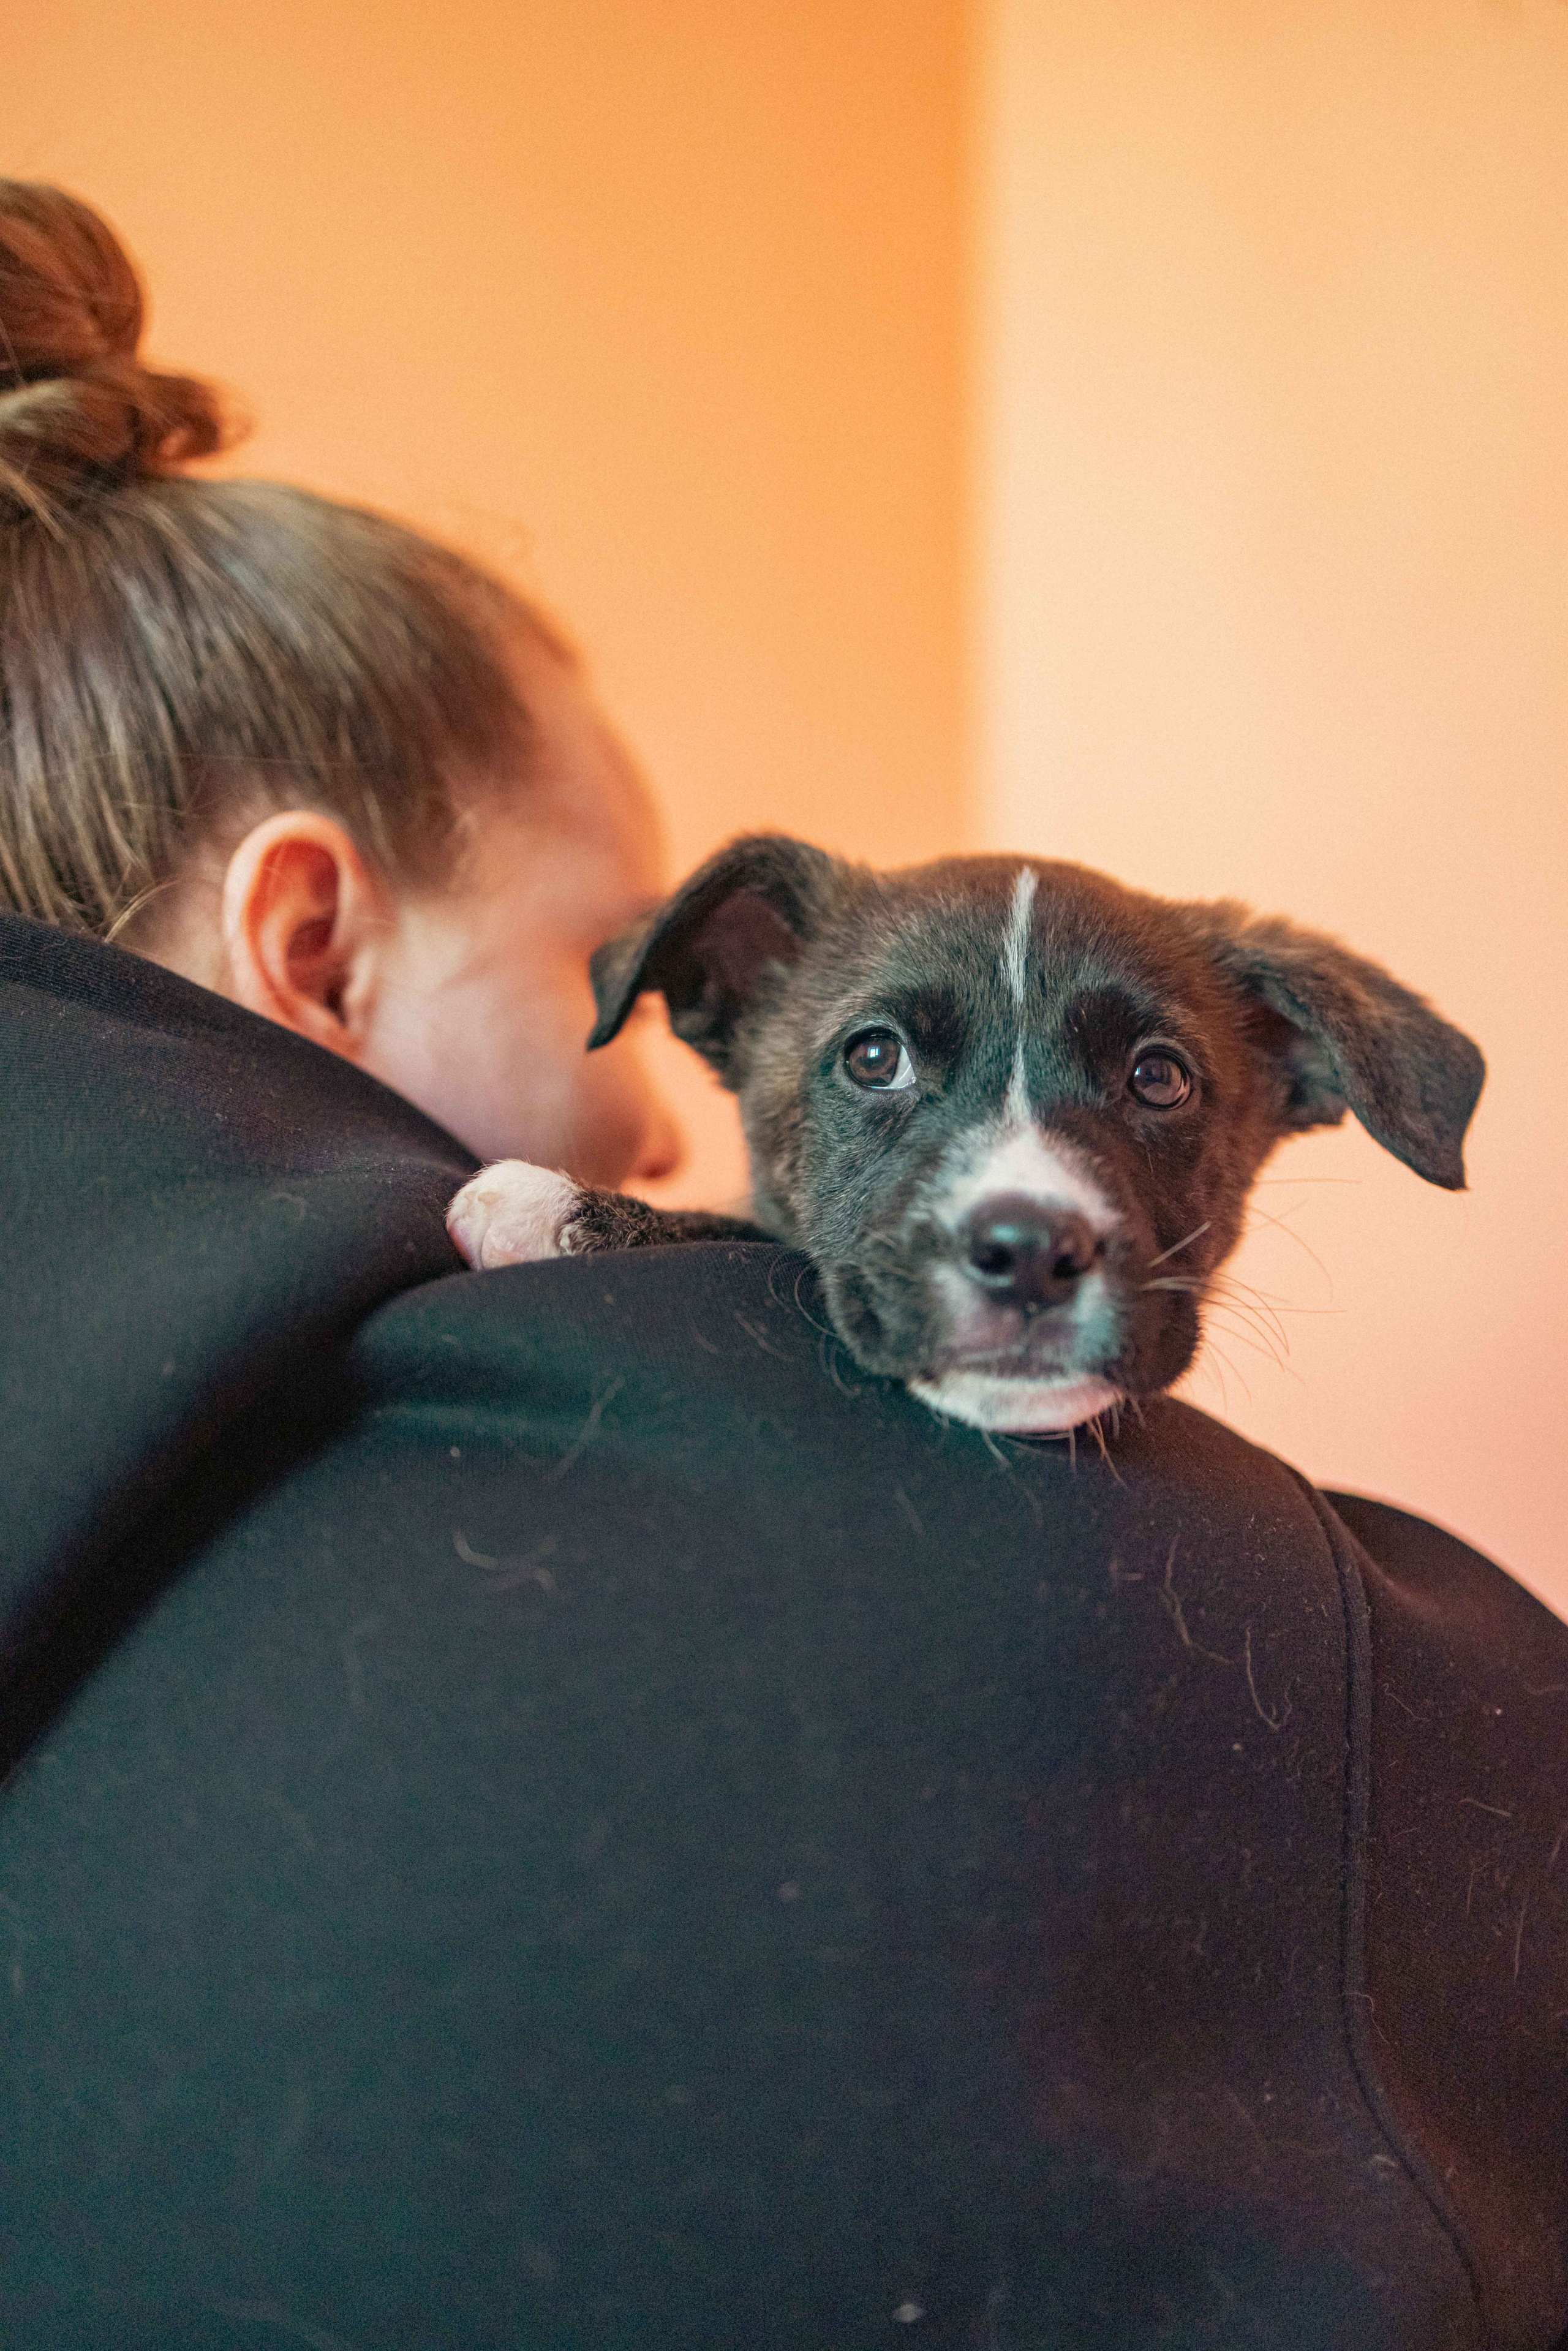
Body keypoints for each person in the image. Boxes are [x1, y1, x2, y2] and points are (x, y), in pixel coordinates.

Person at [1, 185, 1566, 2351]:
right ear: (311, 946)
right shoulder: (1300, 1655)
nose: (650, 1109)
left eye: (1151, 1082)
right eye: (594, 965)